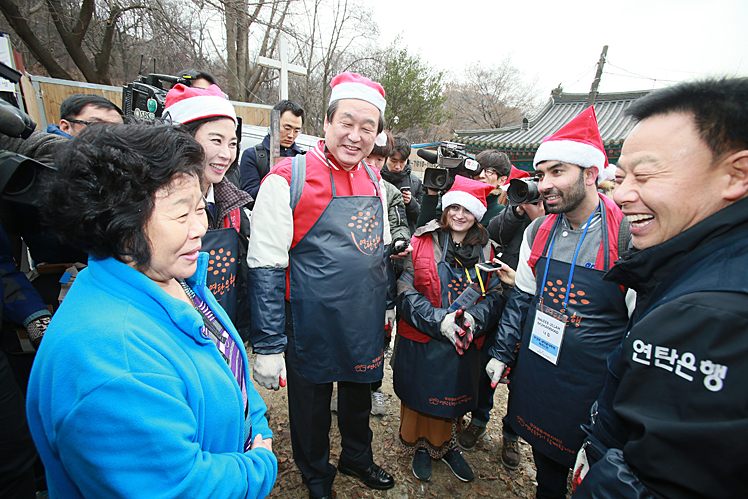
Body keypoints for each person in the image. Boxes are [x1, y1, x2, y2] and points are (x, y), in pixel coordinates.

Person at [25, 124, 277, 499]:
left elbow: (228, 364)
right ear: (122, 225)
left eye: (199, 208)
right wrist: (259, 466)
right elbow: (182, 488)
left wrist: (257, 423)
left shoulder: (173, 277)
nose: (201, 227)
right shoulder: (111, 365)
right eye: (181, 215)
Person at [573, 78, 748, 499]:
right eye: (621, 177)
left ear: (735, 175)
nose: (624, 195)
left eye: (645, 176)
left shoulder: (711, 316)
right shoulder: (696, 265)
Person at [247, 72, 396, 499]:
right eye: (346, 123)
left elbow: (379, 252)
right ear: (327, 123)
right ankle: (316, 476)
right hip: (309, 321)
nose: (356, 136)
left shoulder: (375, 182)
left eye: (368, 128)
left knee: (357, 395)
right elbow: (266, 266)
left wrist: (385, 306)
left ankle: (356, 456)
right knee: (310, 409)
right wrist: (271, 343)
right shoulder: (287, 178)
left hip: (361, 319)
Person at [485, 107, 633, 499]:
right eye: (541, 173)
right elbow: (522, 298)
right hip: (541, 368)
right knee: (547, 470)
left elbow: (640, 330)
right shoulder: (538, 228)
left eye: (557, 172)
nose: (544, 184)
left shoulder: (627, 237)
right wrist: (501, 353)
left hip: (594, 383)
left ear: (590, 174)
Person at [393, 176, 505, 483]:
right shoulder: (421, 240)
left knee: (453, 396)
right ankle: (421, 447)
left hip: (465, 339)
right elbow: (405, 291)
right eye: (453, 207)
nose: (459, 215)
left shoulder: (487, 250)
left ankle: (447, 445)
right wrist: (439, 320)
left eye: (466, 210)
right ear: (445, 210)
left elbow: (495, 296)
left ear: (477, 214)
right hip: (424, 336)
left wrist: (472, 321)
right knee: (420, 397)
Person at [164, 83, 253, 340]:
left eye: (233, 143)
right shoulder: (154, 206)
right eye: (216, 140)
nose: (226, 154)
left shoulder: (234, 203)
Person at [240, 100, 305, 199]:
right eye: (287, 128)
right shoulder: (253, 155)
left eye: (296, 131)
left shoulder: (302, 159)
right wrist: (277, 176)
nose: (291, 135)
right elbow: (249, 199)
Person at [382, 136, 424, 234]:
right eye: (393, 160)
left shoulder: (415, 182)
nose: (397, 166)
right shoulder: (376, 178)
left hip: (406, 239)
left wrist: (411, 203)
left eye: (402, 162)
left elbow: (422, 219)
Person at [46, 93, 123, 138]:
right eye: (98, 126)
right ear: (65, 127)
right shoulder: (48, 161)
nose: (110, 134)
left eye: (118, 128)